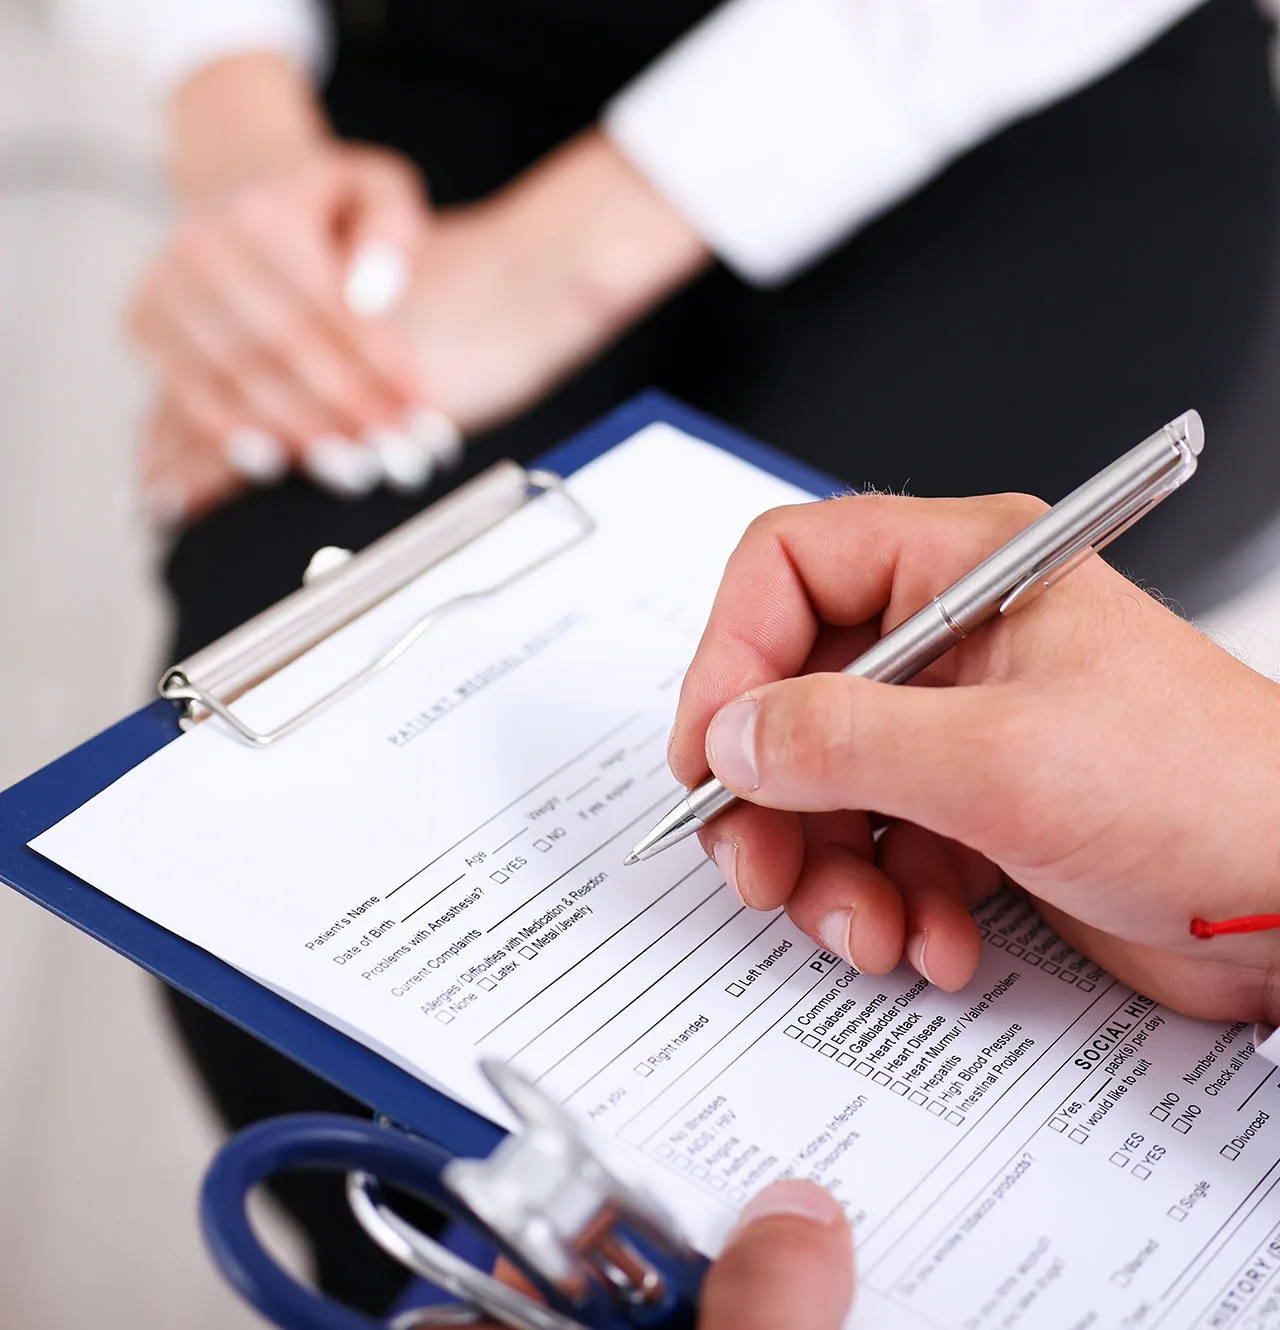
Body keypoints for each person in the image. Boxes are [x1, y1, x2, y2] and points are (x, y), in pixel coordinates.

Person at [63, 0, 1280, 1309]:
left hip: (1022, 83)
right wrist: (241, 129)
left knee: (935, 565)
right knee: (262, 747)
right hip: (450, 83)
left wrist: (563, 260)